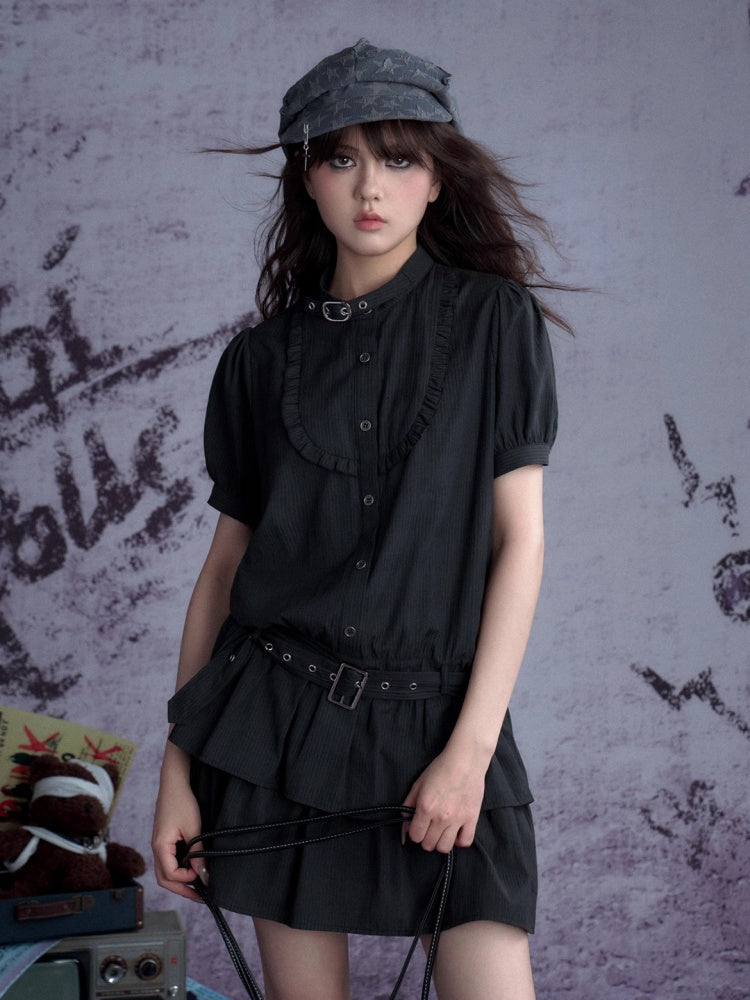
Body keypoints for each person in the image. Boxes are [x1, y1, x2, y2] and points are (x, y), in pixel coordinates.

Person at [152, 38, 562, 1000]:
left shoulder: (495, 322)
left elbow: (520, 544)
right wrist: (178, 773)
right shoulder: (257, 364)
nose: (369, 187)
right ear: (308, 178)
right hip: (276, 730)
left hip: (443, 720)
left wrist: (468, 755)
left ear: (436, 179)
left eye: (399, 158)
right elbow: (224, 576)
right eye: (341, 158)